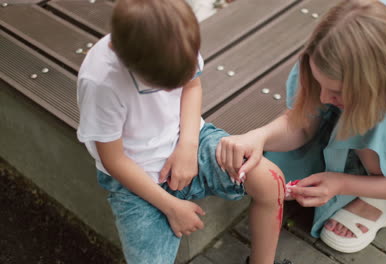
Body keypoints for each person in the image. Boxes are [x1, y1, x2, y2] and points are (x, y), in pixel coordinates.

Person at [217, 0, 386, 254]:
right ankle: (358, 157)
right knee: (275, 172)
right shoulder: (335, 42)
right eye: (319, 83)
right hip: (374, 100)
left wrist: (342, 183)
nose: (324, 99)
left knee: (373, 125)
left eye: (336, 92)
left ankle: (380, 191)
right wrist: (258, 136)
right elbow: (303, 122)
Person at [76, 0, 289, 263]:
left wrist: (187, 147)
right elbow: (114, 159)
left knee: (270, 180)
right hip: (136, 179)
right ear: (130, 64)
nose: (172, 90)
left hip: (191, 139)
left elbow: (191, 87)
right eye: (163, 85)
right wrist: (170, 206)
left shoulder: (178, 41)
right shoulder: (101, 83)